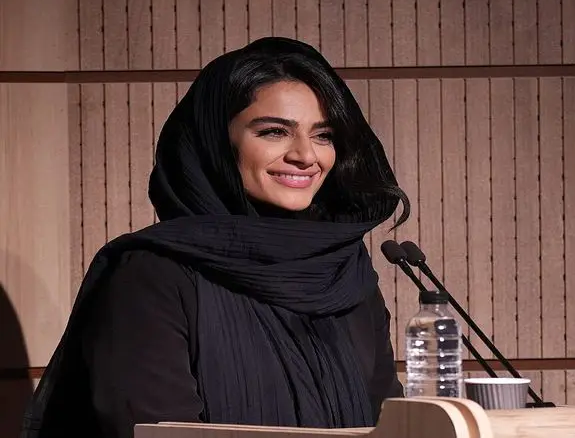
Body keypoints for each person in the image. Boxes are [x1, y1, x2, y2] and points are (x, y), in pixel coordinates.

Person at [21, 37, 409, 438]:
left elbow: (391, 426)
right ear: (216, 142)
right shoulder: (150, 275)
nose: (306, 155)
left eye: (323, 135)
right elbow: (154, 431)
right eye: (274, 131)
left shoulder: (345, 271)